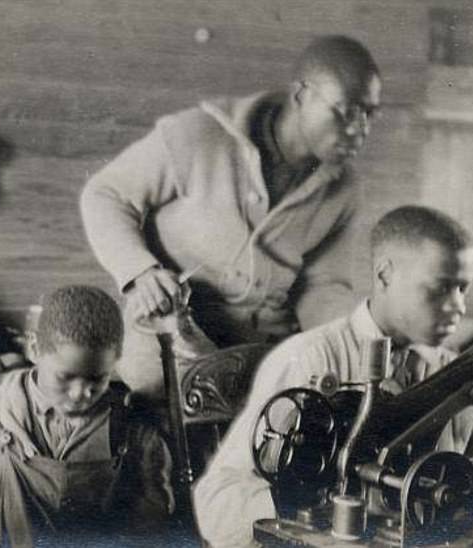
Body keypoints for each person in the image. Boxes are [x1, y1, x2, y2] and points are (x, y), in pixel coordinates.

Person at [80, 35, 382, 399]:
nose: (360, 129)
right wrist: (141, 273)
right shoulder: (195, 134)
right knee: (167, 398)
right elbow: (105, 194)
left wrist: (348, 346)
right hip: (168, 333)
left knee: (309, 410)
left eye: (369, 114)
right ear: (302, 95)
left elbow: (326, 286)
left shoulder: (345, 187)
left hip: (262, 347)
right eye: (346, 111)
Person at [193, 206, 473, 547]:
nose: (459, 306)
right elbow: (217, 501)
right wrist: (303, 517)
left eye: (463, 288)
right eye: (440, 289)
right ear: (384, 275)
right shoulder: (310, 359)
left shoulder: (459, 376)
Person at [0, 285, 174, 547]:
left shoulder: (136, 434)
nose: (80, 394)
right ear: (34, 348)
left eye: (97, 379)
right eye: (65, 377)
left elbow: (151, 535)